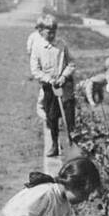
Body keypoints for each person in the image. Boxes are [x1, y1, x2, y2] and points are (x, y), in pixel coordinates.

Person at [31, 17, 75, 159]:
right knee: (51, 117)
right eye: (47, 32)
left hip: (64, 84)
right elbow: (35, 70)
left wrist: (63, 77)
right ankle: (55, 145)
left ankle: (72, 145)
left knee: (68, 115)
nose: (51, 35)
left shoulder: (62, 45)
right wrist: (49, 80)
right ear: (41, 32)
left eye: (53, 32)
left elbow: (71, 63)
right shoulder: (37, 47)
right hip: (49, 86)